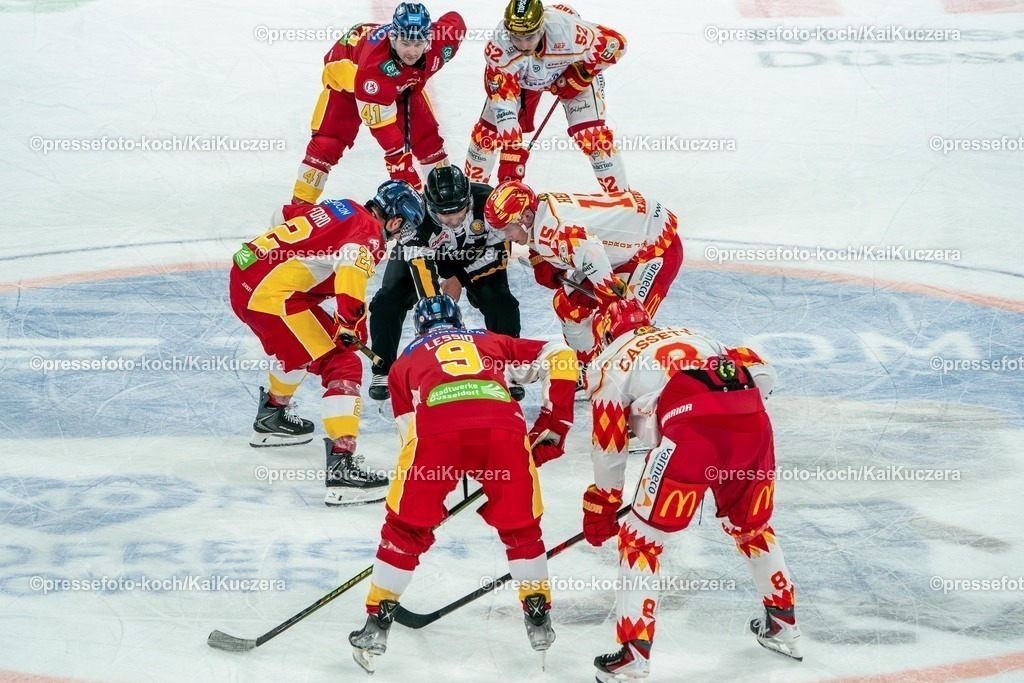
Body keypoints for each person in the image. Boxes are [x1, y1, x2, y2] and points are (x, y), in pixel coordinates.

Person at [348, 294, 577, 673]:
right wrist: (556, 419)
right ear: (458, 322)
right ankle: (538, 617)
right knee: (522, 528)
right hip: (502, 432)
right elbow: (561, 354)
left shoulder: (403, 364)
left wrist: (443, 483)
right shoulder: (489, 340)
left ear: (419, 329)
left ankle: (377, 623)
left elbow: (411, 438)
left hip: (437, 437)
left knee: (405, 529)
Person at [581, 300, 802, 681]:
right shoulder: (695, 335)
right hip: (753, 422)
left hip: (692, 436)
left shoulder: (606, 364)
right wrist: (730, 418)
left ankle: (634, 657)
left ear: (605, 335)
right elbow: (762, 370)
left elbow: (609, 445)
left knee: (640, 540)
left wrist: (604, 501)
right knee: (752, 527)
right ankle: (784, 624)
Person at [229, 180, 425, 506]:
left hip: (247, 275)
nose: (399, 236)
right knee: (342, 361)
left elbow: (283, 216)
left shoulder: (344, 205)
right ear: (394, 221)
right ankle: (341, 466)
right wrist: (349, 325)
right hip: (271, 297)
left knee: (305, 342)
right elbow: (350, 271)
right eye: (403, 227)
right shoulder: (369, 235)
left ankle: (272, 417)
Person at [366, 166, 521, 401]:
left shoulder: (489, 202)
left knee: (501, 302)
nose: (453, 221)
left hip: (476, 257)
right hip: (427, 256)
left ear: (469, 198)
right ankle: (382, 369)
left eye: (459, 212)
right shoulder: (414, 216)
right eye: (444, 216)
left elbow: (499, 255)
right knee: (388, 300)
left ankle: (509, 368)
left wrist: (461, 278)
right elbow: (421, 267)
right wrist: (436, 308)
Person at [288, 3, 466, 208]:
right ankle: (298, 207)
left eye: (418, 44)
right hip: (348, 86)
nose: (412, 52)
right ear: (393, 38)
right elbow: (384, 130)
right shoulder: (373, 67)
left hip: (401, 87)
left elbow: (456, 20)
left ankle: (441, 206)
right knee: (328, 144)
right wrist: (400, 164)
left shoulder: (441, 43)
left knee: (429, 141)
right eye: (406, 43)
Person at [484, 181, 683, 363]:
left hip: (656, 247)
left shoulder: (554, 231)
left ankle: (628, 385)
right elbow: (575, 240)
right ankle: (588, 367)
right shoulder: (540, 206)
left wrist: (608, 294)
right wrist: (538, 256)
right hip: (626, 243)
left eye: (507, 229)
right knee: (567, 305)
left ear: (526, 216)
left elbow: (588, 248)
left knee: (622, 323)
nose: (506, 237)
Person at [465, 0, 629, 192]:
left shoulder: (569, 31)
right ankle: (472, 198)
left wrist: (581, 75)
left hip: (567, 67)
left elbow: (616, 44)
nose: (523, 45)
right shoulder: (498, 48)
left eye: (530, 37)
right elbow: (504, 106)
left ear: (542, 27)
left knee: (593, 137)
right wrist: (512, 153)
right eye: (516, 37)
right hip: (520, 80)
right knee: (486, 136)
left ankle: (622, 200)